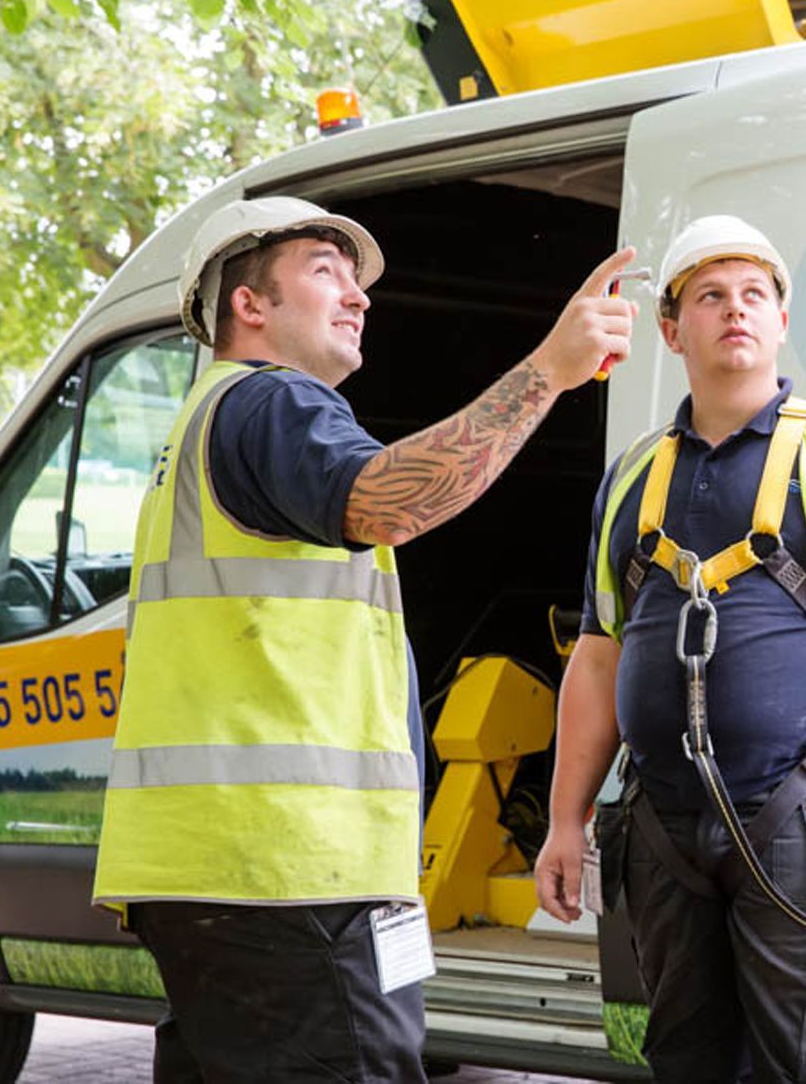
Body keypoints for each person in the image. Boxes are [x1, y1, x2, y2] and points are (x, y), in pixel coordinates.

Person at [91, 196, 637, 1083]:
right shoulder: (269, 404)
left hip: (222, 875)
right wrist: (550, 371)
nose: (358, 296)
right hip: (286, 873)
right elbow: (390, 500)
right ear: (249, 305)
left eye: (355, 279)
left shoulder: (203, 425)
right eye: (324, 270)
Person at [534, 214, 806, 1083]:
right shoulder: (631, 475)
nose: (736, 311)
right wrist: (563, 821)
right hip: (660, 830)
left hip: (798, 817)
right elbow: (598, 654)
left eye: (754, 295)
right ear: (669, 328)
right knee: (685, 1063)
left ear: (780, 322)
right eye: (710, 297)